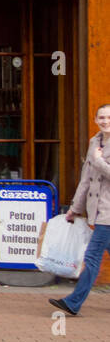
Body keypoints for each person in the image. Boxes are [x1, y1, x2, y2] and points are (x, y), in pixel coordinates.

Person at [51, 104, 110, 315]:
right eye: (101, 117)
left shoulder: (98, 151)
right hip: (98, 211)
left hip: (108, 212)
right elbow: (86, 179)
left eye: (109, 117)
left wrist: (99, 161)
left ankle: (74, 303)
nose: (105, 121)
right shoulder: (95, 141)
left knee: (92, 257)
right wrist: (75, 208)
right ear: (95, 120)